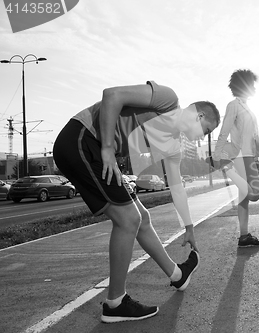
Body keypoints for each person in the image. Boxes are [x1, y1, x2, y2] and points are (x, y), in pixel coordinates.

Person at [53, 81, 220, 323]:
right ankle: (115, 303)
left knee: (142, 218)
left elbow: (176, 186)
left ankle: (177, 275)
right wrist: (108, 148)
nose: (202, 138)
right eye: (206, 131)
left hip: (97, 147)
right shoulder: (168, 100)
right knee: (128, 219)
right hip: (82, 137)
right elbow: (112, 95)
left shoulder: (174, 146)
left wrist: (189, 227)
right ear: (199, 116)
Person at [210, 69, 259, 247]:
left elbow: (252, 135)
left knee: (243, 197)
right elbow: (224, 131)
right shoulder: (233, 105)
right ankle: (227, 168)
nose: (255, 88)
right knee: (255, 194)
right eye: (252, 85)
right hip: (240, 155)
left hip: (249, 155)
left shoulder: (247, 106)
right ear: (244, 86)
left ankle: (244, 236)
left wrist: (257, 157)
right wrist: (217, 156)